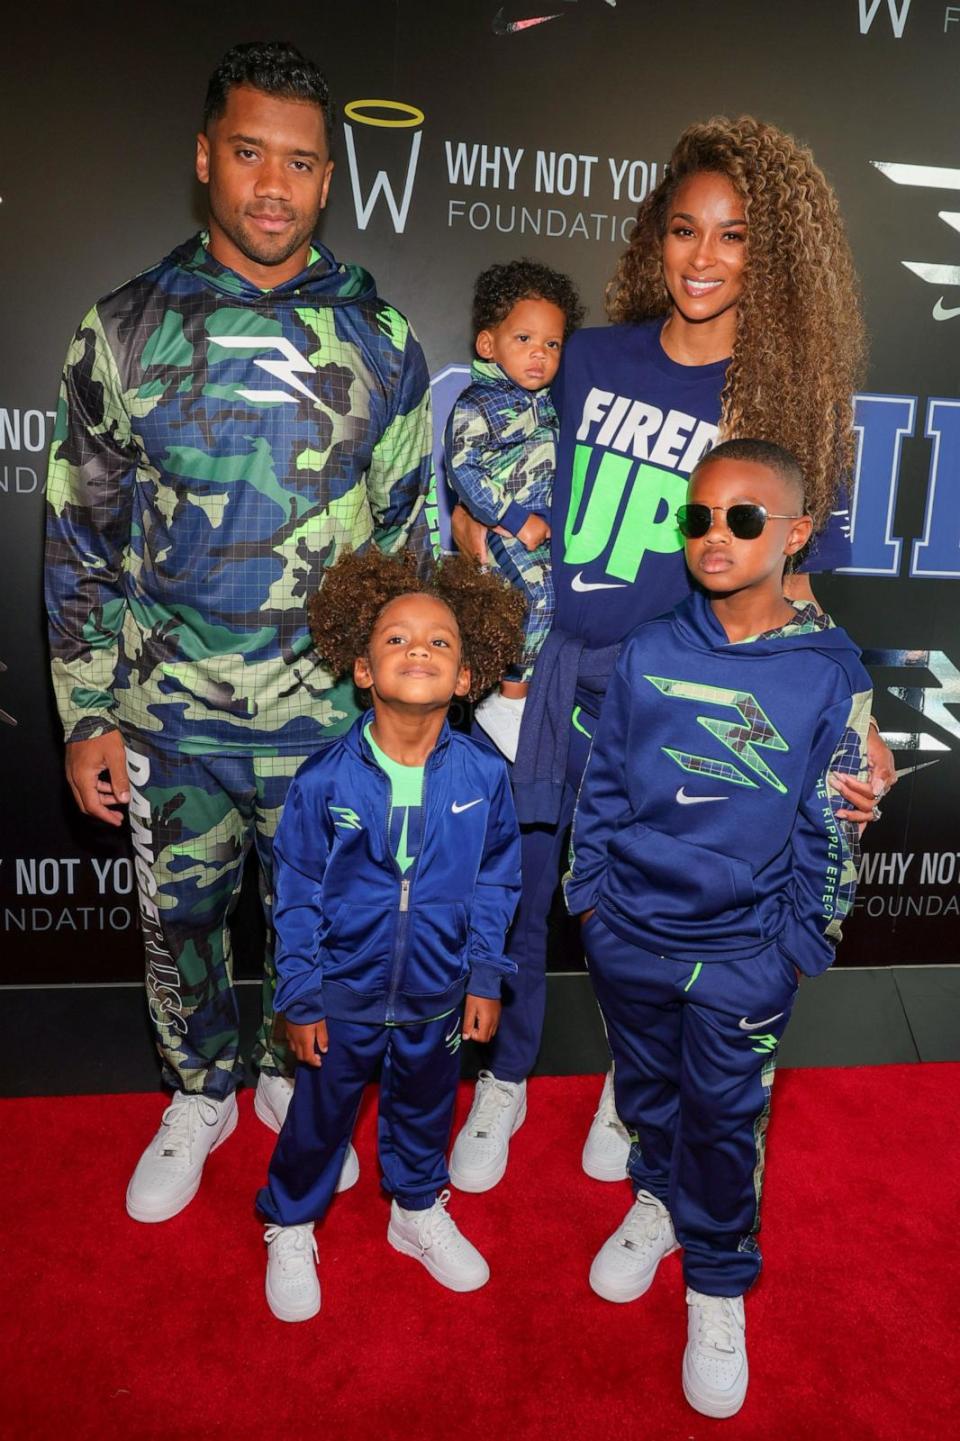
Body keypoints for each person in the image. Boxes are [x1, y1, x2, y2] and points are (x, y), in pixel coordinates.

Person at [449, 115, 895, 1193]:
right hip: (549, 676)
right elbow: (496, 472)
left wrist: (858, 714)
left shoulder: (784, 410)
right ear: (657, 238)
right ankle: (503, 1077)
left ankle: (626, 1080)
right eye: (685, 229)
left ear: (771, 255)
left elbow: (798, 585)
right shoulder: (587, 356)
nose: (703, 257)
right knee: (516, 886)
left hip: (675, 692)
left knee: (645, 900)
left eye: (734, 235)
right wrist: (471, 541)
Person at [43, 41, 436, 1223]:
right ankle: (199, 1087)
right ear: (206, 156)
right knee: (183, 923)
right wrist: (85, 713)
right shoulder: (121, 329)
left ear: (330, 179)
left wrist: (406, 718)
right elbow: (82, 540)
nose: (274, 185)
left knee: (322, 928)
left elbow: (410, 552)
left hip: (330, 725)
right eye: (251, 153)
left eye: (302, 162)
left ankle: (286, 1072)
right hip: (173, 719)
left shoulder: (383, 341)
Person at [566, 438, 872, 1418]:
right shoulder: (653, 646)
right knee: (650, 1094)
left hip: (745, 956)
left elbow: (835, 820)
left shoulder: (830, 673)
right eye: (697, 516)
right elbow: (604, 782)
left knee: (727, 1120)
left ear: (795, 534)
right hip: (630, 936)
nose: (715, 535)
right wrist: (592, 901)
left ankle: (717, 1281)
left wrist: (800, 943)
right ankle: (657, 1198)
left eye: (743, 517)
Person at [254, 549, 524, 1322]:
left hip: (439, 993)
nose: (419, 649)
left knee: (426, 1107)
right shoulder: (322, 781)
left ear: (467, 677)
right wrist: (302, 994)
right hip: (340, 995)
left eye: (440, 641)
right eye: (396, 638)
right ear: (363, 670)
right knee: (320, 1115)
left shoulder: (484, 777)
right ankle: (291, 1217)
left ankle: (415, 1206)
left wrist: (482, 976)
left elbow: (498, 879)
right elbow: (296, 896)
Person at [444, 260, 584, 761]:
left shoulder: (547, 402)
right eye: (524, 339)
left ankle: (515, 689)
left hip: (542, 529)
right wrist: (514, 518)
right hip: (506, 528)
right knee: (540, 599)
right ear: (488, 345)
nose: (539, 355)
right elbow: (462, 469)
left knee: (545, 608)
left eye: (551, 345)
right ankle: (510, 698)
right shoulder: (477, 404)